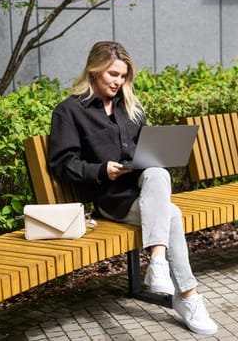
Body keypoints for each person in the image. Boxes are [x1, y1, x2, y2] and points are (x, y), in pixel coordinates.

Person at [48, 41, 218, 335]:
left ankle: (158, 264)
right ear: (94, 70)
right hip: (109, 198)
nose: (118, 82)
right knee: (173, 215)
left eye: (123, 76)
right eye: (113, 74)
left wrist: (147, 159)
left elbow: (147, 153)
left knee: (157, 172)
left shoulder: (131, 108)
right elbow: (62, 164)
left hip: (143, 190)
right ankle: (188, 296)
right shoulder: (69, 111)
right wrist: (103, 170)